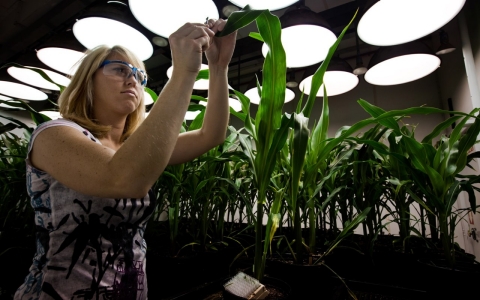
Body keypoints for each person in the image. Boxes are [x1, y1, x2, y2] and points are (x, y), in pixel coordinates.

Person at [14, 18, 237, 300]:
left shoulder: (133, 148)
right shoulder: (53, 134)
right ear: (87, 79)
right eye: (119, 69)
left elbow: (211, 135)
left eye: (138, 75)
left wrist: (218, 66)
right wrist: (183, 71)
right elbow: (121, 178)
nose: (132, 78)